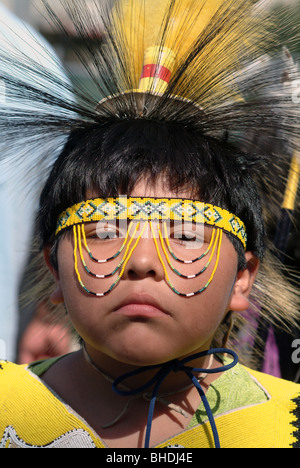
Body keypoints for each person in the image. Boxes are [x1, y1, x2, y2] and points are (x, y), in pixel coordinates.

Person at [0, 0, 299, 449]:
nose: (142, 261)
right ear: (53, 269)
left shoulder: (285, 422)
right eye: (103, 231)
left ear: (242, 279)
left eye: (186, 234)